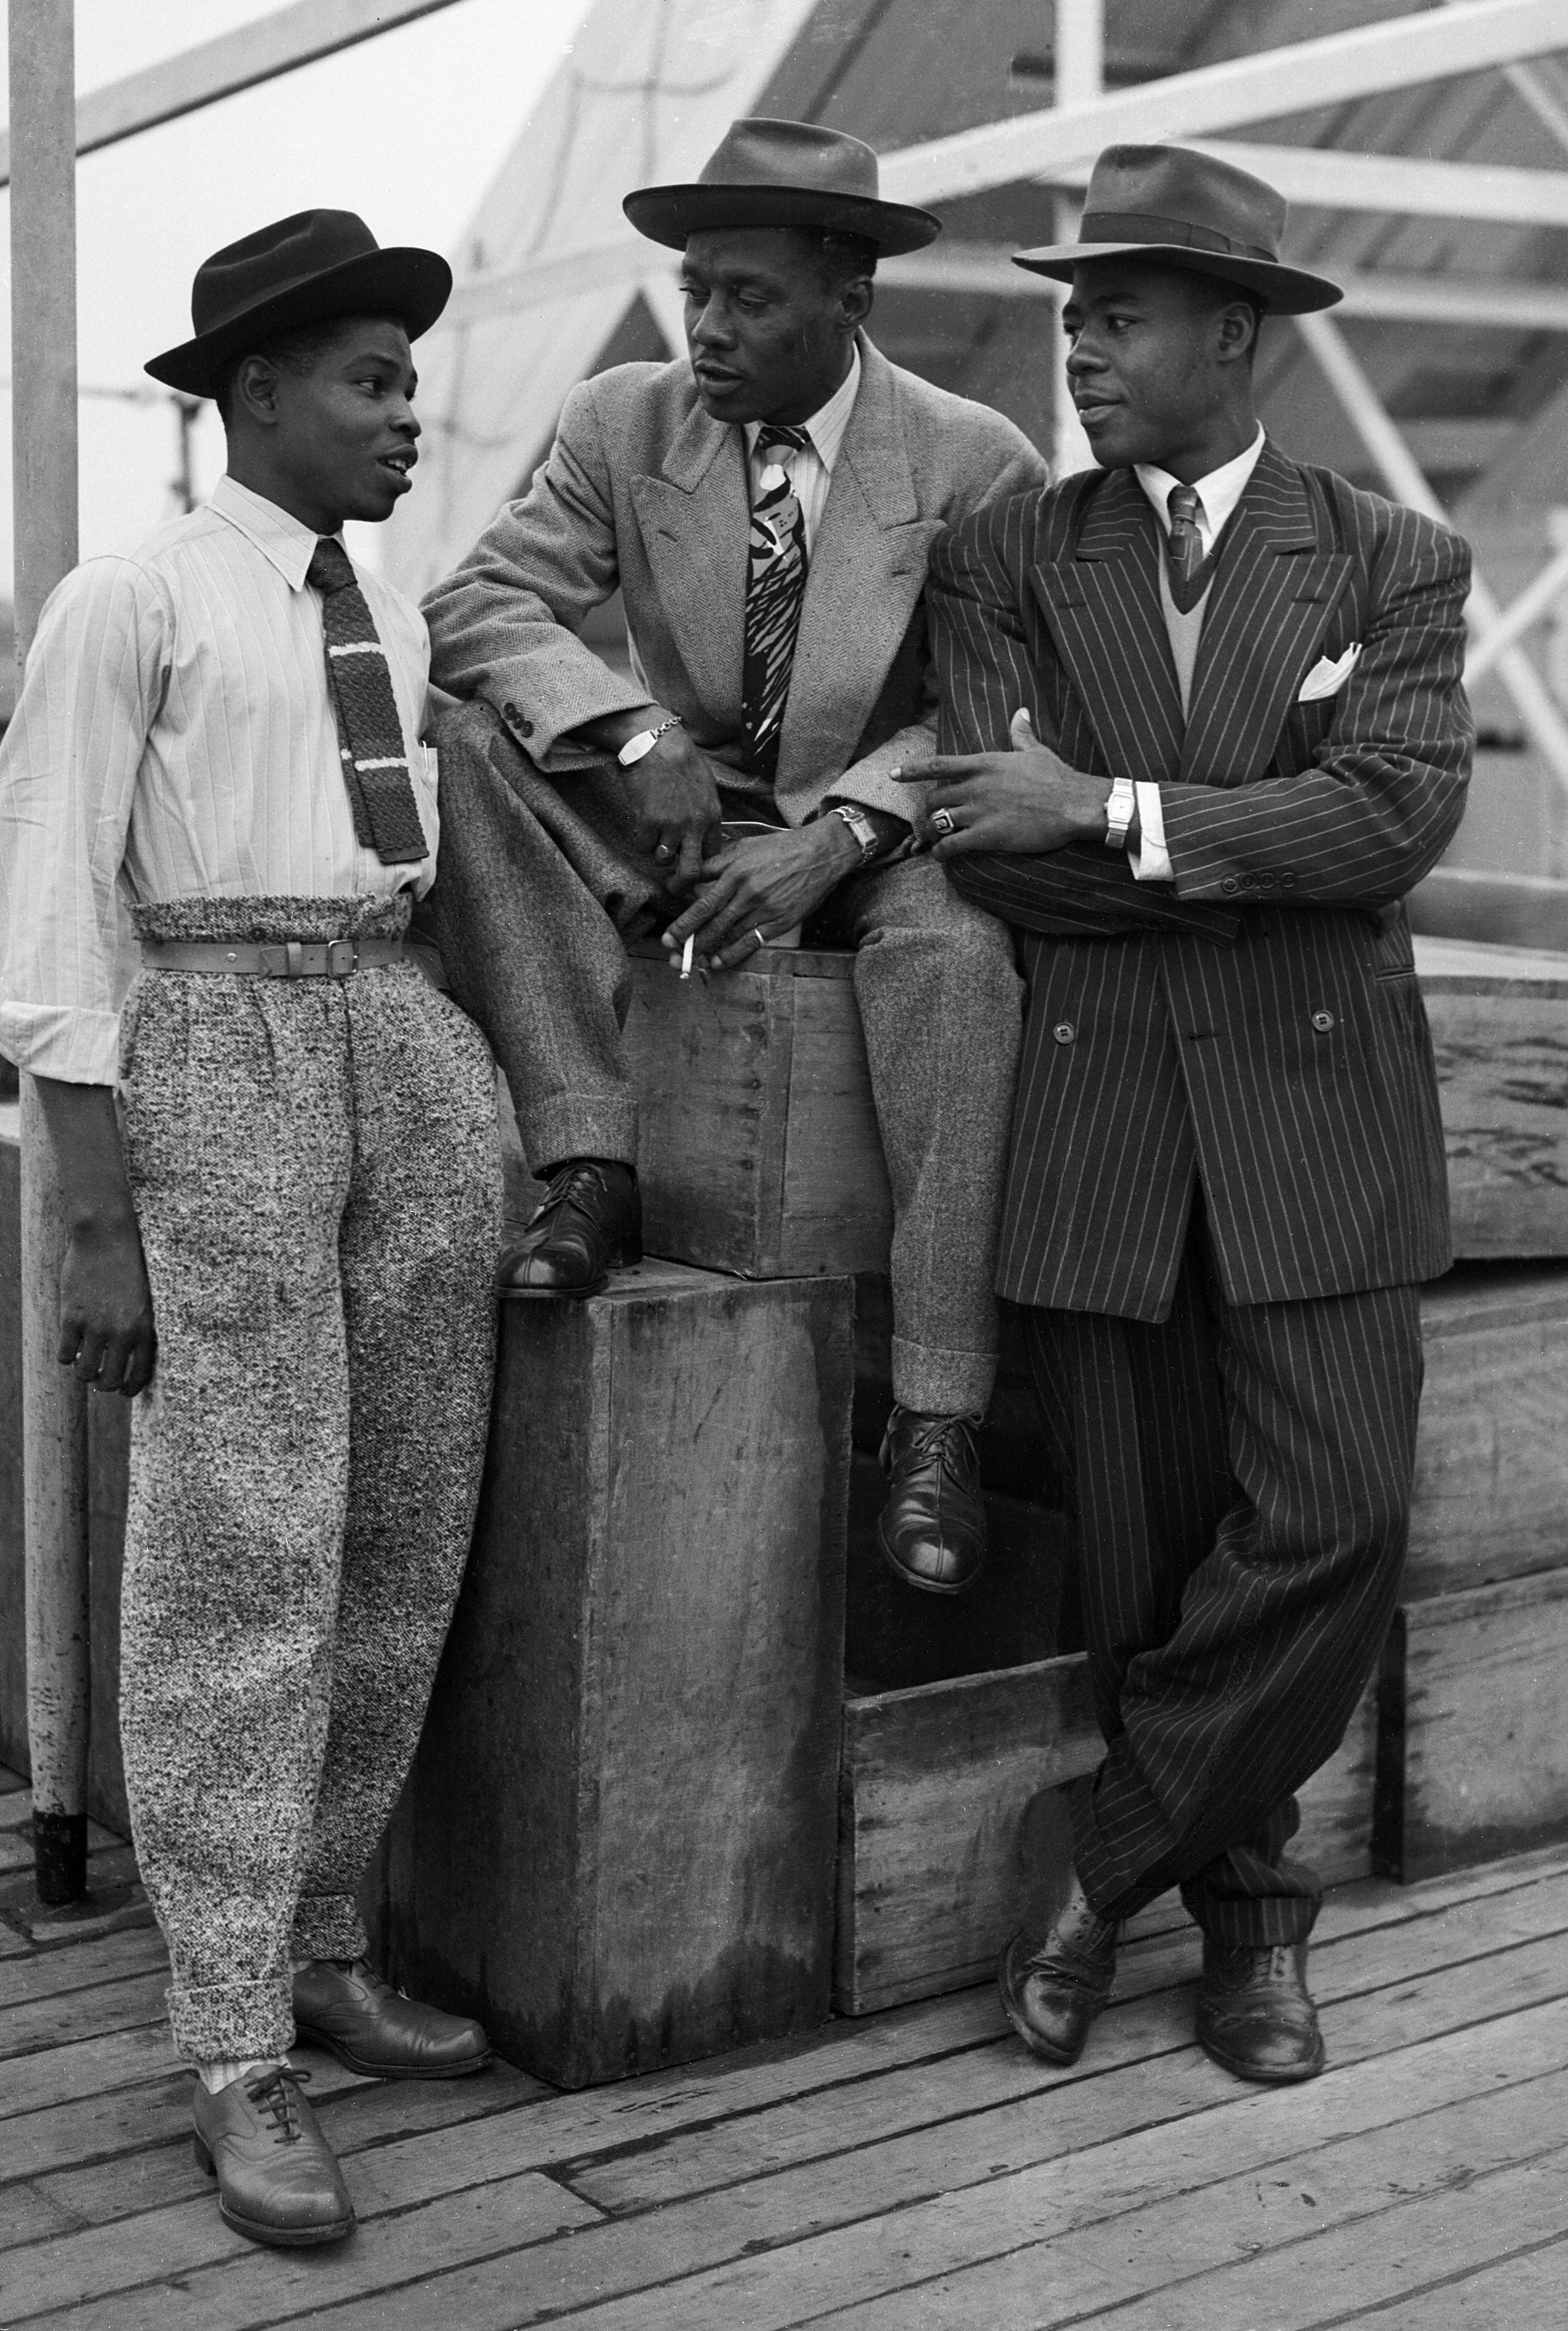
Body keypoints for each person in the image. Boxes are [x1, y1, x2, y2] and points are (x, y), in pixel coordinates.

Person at [910, 147, 1471, 2082]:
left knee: (1339, 1514)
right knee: (1143, 1562)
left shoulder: (1395, 557)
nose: (1079, 342)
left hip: (1322, 1126)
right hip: (1102, 1129)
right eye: (1072, 312)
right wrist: (1220, 835)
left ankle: (1096, 1860)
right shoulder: (1004, 553)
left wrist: (1117, 805)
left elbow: (1397, 813)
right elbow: (993, 846)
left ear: (1235, 334)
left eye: (1120, 311)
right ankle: (1247, 1927)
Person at [0, 211, 504, 2248]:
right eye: (372, 379)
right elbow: (45, 914)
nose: (405, 415)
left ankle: (318, 1936)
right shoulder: (128, 600)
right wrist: (95, 1216)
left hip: (396, 1027)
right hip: (214, 1044)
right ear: (257, 396)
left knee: (398, 1519)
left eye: (406, 380)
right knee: (241, 1546)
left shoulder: (375, 613)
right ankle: (227, 2041)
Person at [421, 118, 1047, 1595]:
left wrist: (833, 839)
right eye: (694, 288)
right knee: (463, 742)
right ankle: (589, 1161)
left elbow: (992, 707)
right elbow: (476, 608)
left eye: (748, 298)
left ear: (852, 300)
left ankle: (938, 1412)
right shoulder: (621, 423)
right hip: (676, 808)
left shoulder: (976, 461)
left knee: (960, 942)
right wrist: (631, 729)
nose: (706, 326)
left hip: (886, 827)